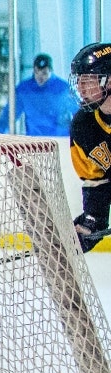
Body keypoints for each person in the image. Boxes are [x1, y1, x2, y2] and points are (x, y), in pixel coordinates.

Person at [68, 43, 111, 254]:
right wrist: (93, 221)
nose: (81, 90)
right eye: (79, 82)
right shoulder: (83, 126)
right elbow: (97, 181)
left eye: (88, 81)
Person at [0, 53, 77, 136]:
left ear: (51, 71)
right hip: (35, 143)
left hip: (60, 141)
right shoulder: (24, 90)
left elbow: (78, 112)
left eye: (44, 73)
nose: (40, 77)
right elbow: (9, 114)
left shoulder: (63, 89)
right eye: (36, 72)